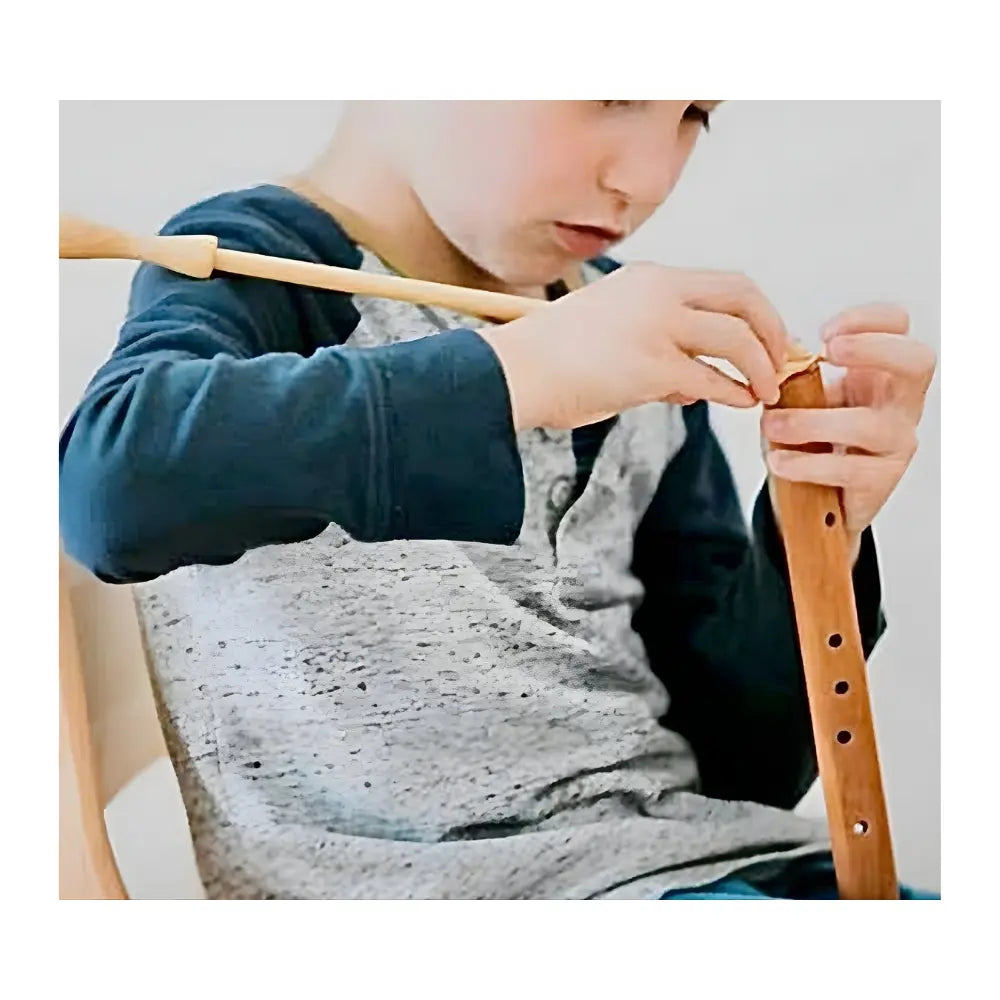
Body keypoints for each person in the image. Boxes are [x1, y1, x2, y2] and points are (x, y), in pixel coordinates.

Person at [59, 101, 937, 899]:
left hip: (705, 873)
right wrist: (526, 371)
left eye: (693, 114)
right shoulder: (262, 264)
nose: (647, 176)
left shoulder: (619, 323)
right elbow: (115, 490)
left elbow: (743, 766)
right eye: (612, 92)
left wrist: (812, 533)